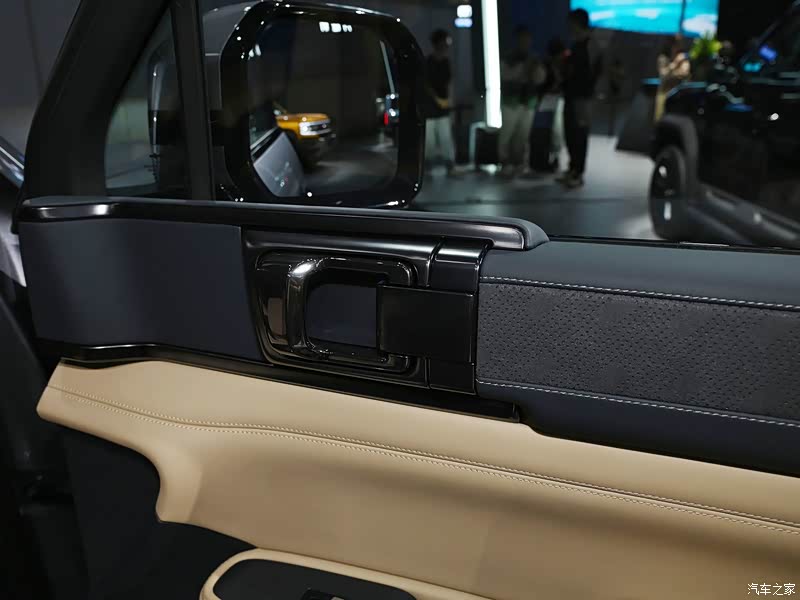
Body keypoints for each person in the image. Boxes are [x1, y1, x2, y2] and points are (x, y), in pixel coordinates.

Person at [559, 8, 602, 189]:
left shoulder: (591, 45)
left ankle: (578, 172)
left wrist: (590, 91)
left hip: (583, 98)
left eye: (571, 23)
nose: (569, 26)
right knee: (570, 132)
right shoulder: (575, 44)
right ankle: (572, 168)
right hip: (571, 95)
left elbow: (596, 71)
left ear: (578, 23)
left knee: (580, 134)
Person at [498, 26, 545, 176]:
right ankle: (504, 162)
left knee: (523, 135)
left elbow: (540, 79)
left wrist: (535, 70)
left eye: (528, 39)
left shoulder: (534, 59)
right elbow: (507, 76)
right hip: (511, 102)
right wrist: (523, 69)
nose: (525, 42)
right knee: (506, 134)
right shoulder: (509, 58)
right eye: (522, 39)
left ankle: (519, 163)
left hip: (528, 102)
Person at [423, 29, 457, 176]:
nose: (446, 46)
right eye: (444, 43)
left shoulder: (445, 62)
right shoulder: (428, 62)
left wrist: (449, 100)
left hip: (443, 106)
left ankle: (450, 165)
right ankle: (427, 166)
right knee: (429, 139)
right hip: (430, 107)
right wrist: (438, 100)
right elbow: (426, 85)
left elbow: (449, 82)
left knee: (445, 137)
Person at [655, 35, 690, 122]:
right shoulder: (664, 58)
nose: (678, 46)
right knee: (661, 119)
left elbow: (684, 73)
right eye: (676, 44)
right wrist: (675, 64)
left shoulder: (682, 58)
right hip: (664, 93)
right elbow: (664, 75)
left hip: (677, 95)